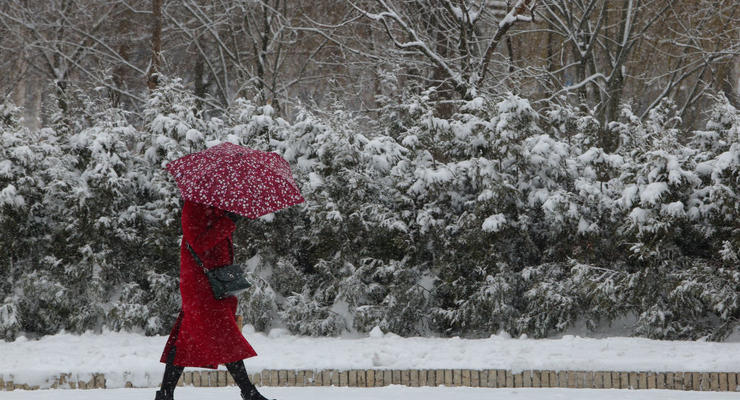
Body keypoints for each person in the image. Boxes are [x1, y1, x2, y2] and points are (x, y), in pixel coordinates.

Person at [155, 200, 273, 400]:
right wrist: (228, 221)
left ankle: (166, 394)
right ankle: (249, 392)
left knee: (187, 338)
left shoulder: (216, 205)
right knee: (224, 334)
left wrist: (227, 217)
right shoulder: (193, 207)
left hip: (213, 282)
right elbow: (199, 243)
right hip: (200, 285)